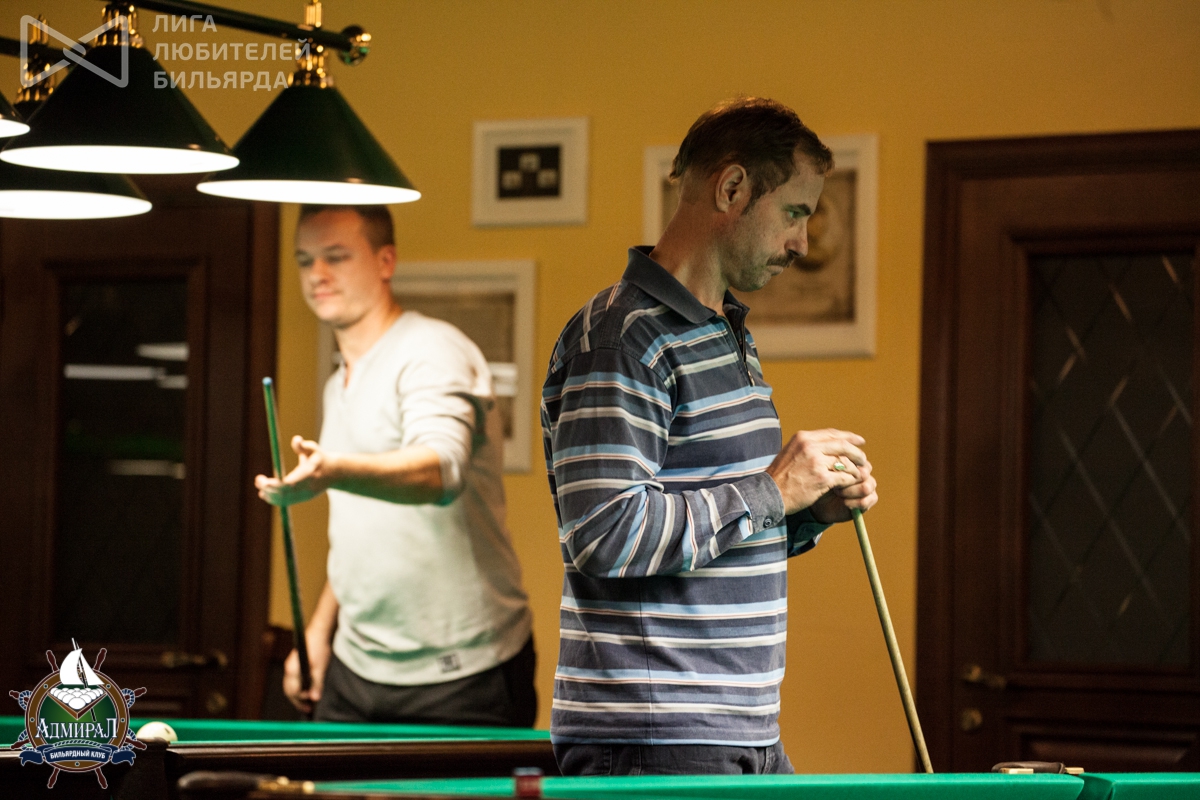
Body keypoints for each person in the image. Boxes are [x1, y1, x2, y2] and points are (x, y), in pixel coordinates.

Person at [541, 98, 878, 775]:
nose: (802, 243)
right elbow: (605, 534)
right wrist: (771, 491)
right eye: (795, 213)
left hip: (739, 727)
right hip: (654, 735)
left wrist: (806, 513)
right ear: (732, 189)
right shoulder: (621, 338)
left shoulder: (726, 333)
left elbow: (715, 526)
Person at [255, 205, 536, 727]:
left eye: (336, 256)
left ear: (386, 261)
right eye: (305, 260)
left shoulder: (430, 351)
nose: (317, 274)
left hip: (463, 673)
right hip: (356, 667)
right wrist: (318, 633)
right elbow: (363, 532)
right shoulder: (338, 385)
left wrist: (335, 470)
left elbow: (441, 469)